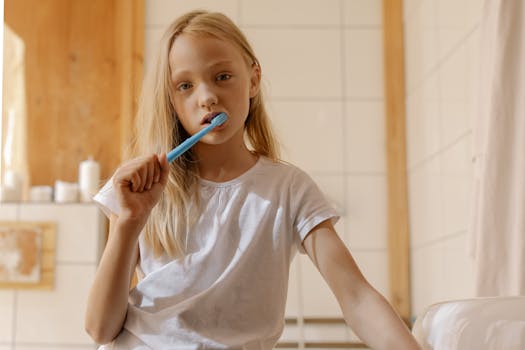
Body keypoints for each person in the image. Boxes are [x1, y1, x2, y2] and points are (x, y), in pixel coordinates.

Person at [84, 10, 421, 350]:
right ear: (171, 100)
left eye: (223, 76)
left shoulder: (289, 189)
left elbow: (356, 297)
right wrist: (129, 221)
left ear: (253, 79)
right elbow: (100, 329)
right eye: (185, 86)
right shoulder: (141, 191)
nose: (207, 97)